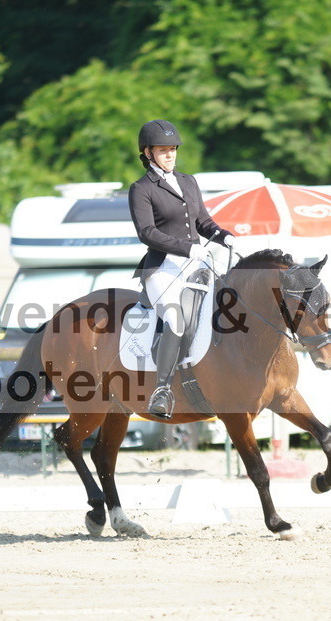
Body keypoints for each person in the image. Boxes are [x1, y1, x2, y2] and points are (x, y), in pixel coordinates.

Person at [129, 119, 235, 418]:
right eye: (163, 150)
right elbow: (146, 232)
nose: (170, 155)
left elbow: (203, 222)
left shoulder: (188, 181)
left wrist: (224, 235)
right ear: (148, 153)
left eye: (173, 149)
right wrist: (186, 247)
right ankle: (161, 390)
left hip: (196, 264)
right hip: (162, 268)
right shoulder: (141, 189)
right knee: (175, 319)